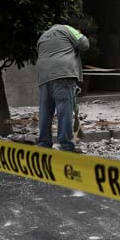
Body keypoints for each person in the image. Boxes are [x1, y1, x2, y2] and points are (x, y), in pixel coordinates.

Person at [36, 22, 89, 152]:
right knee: (64, 110)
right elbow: (84, 44)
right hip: (63, 74)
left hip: (44, 76)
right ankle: (66, 145)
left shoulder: (43, 36)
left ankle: (43, 143)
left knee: (45, 110)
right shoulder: (68, 29)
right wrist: (79, 34)